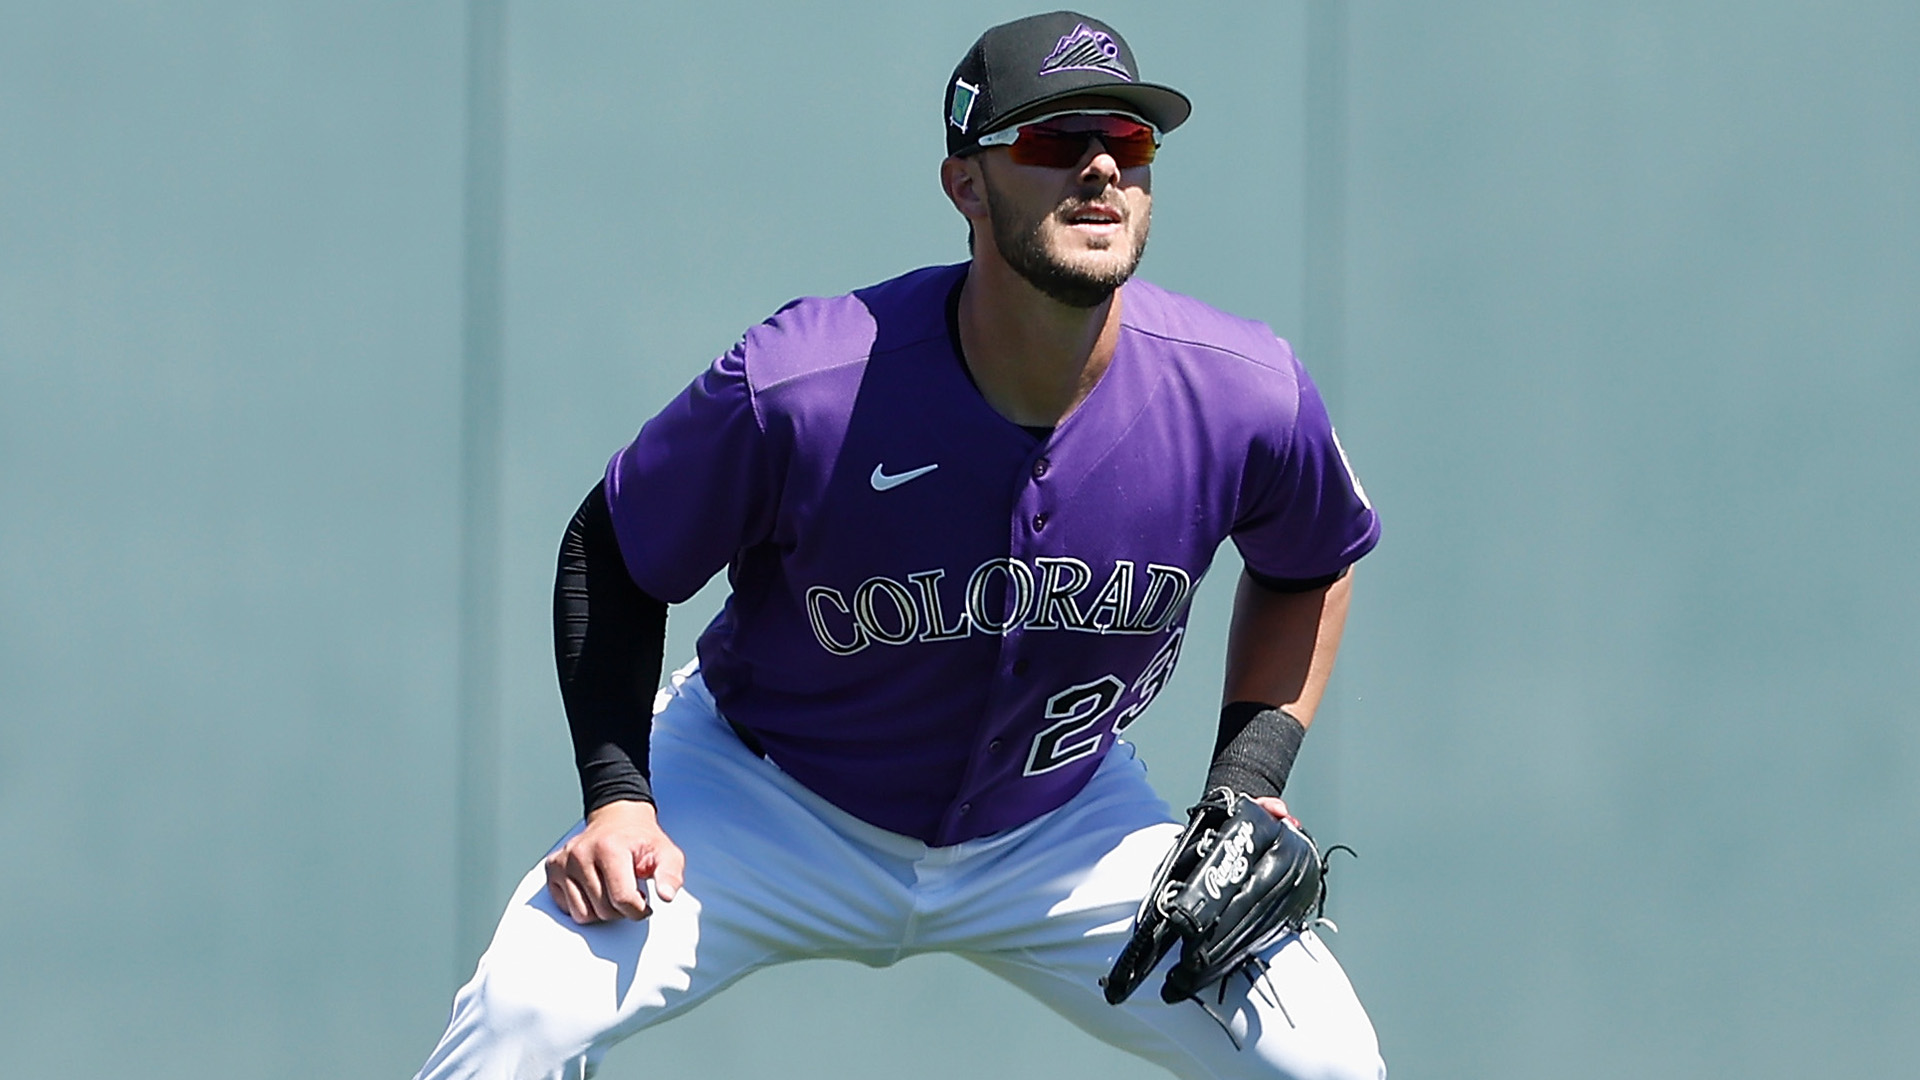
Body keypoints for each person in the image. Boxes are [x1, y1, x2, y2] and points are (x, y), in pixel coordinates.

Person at [416, 11, 1384, 1079]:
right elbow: (612, 547)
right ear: (966, 184)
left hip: (1061, 824)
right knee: (519, 1022)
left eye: (1130, 140)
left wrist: (1248, 780)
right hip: (760, 796)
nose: (1102, 164)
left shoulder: (1242, 391)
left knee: (1328, 1060)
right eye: (1053, 141)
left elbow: (1312, 557)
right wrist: (619, 798)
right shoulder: (809, 382)